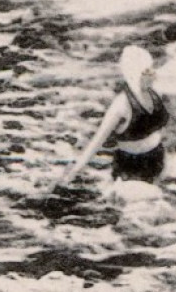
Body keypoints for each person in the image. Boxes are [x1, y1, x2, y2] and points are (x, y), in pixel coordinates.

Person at [55, 45, 170, 188]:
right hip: (131, 168)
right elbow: (96, 143)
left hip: (157, 158)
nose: (153, 74)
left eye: (152, 68)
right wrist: (72, 174)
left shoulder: (155, 93)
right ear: (134, 74)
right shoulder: (121, 106)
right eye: (146, 71)